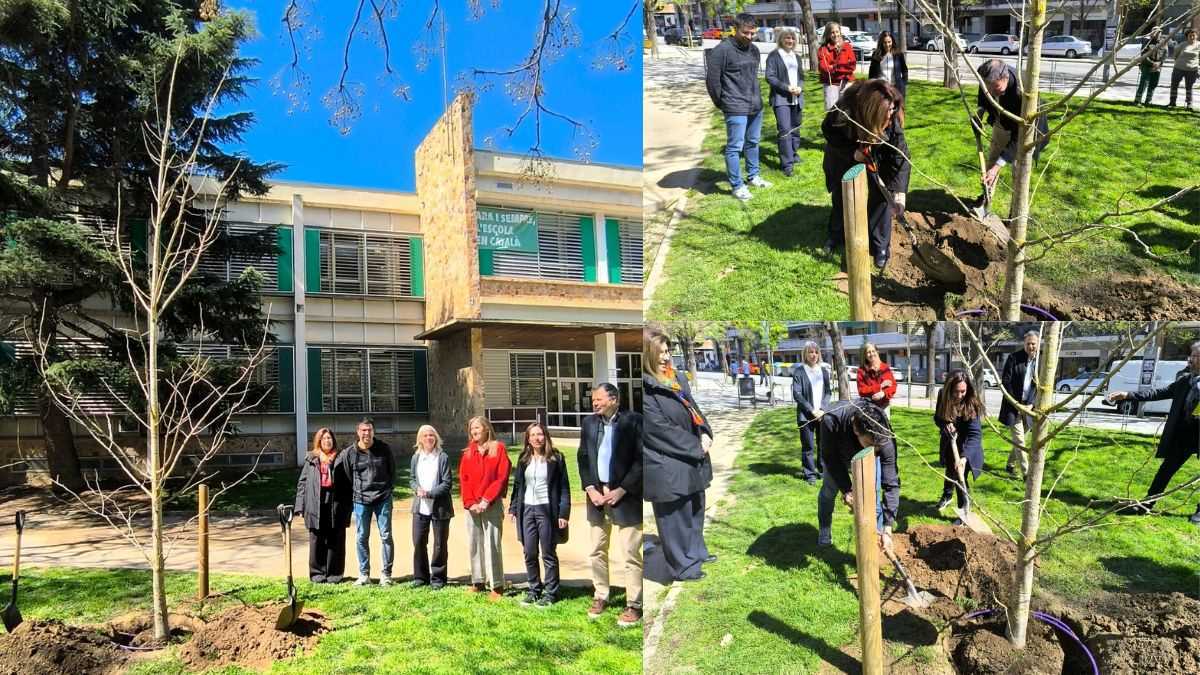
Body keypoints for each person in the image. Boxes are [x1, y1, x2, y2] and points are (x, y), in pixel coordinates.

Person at [643, 330, 714, 583]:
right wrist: (696, 446)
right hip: (667, 462)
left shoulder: (675, 379)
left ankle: (696, 553)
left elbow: (694, 408)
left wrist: (706, 432)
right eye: (659, 352)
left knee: (695, 509)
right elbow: (658, 429)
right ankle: (683, 566)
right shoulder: (646, 388)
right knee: (675, 519)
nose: (665, 357)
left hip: (690, 457)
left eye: (667, 351)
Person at [821, 79, 910, 269]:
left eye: (892, 114)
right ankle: (836, 235)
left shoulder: (891, 115)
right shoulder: (846, 110)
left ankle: (880, 247)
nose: (889, 120)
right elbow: (827, 130)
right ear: (872, 111)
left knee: (881, 197)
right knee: (842, 194)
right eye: (884, 118)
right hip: (844, 152)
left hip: (876, 154)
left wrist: (899, 195)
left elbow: (900, 157)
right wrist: (852, 153)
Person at [1108, 341, 1200, 524]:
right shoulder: (1185, 381)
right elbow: (1158, 393)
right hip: (1182, 437)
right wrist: (1128, 395)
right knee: (1164, 471)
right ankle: (1146, 505)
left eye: (1196, 356)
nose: (1192, 359)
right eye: (1193, 355)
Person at [578, 383, 644, 627]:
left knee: (630, 554)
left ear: (614, 399)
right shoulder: (589, 424)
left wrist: (622, 489)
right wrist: (591, 488)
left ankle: (634, 604)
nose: (594, 403)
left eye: (599, 399)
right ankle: (601, 595)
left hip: (625, 496)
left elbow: (641, 460)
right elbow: (583, 457)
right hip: (596, 497)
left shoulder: (634, 421)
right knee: (597, 549)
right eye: (593, 400)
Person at [816, 399, 899, 553]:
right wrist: (847, 489)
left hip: (864, 455)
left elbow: (891, 482)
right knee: (829, 491)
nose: (875, 451)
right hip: (838, 456)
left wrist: (888, 527)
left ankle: (877, 538)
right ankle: (824, 530)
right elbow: (830, 458)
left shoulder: (881, 429)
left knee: (873, 497)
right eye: (870, 445)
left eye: (878, 447)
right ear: (856, 430)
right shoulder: (831, 420)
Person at [705, 13, 771, 201]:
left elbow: (752, 77)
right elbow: (712, 81)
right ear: (735, 29)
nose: (749, 37)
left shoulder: (754, 50)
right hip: (734, 106)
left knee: (753, 143)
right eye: (745, 33)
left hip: (755, 105)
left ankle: (754, 176)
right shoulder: (722, 51)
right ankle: (737, 185)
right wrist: (722, 102)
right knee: (735, 147)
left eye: (753, 33)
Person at [509, 422, 571, 607]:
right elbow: (518, 485)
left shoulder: (556, 458)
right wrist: (513, 508)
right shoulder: (523, 459)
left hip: (547, 510)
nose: (537, 438)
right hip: (527, 509)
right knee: (529, 551)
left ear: (546, 436)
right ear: (528, 439)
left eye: (540, 434)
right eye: (533, 435)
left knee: (548, 552)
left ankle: (551, 592)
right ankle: (534, 589)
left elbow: (564, 488)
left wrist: (563, 513)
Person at [976, 59, 1049, 199]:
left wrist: (998, 166)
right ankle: (986, 198)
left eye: (995, 88)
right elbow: (983, 97)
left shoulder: (1022, 93)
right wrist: (979, 114)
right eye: (988, 87)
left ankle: (1015, 212)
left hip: (1025, 130)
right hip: (1002, 122)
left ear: (1005, 78)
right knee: (993, 159)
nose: (990, 92)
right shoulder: (987, 77)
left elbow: (1019, 136)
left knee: (1018, 169)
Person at [337, 418, 395, 586]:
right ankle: (364, 575)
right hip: (361, 501)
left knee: (386, 536)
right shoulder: (350, 452)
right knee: (362, 537)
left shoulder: (384, 449)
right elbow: (347, 475)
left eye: (369, 430)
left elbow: (392, 472)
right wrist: (356, 493)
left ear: (373, 432)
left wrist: (387, 490)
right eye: (363, 430)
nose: (366, 433)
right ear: (358, 432)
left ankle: (386, 575)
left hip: (383, 499)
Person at [460, 416, 511, 599]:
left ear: (487, 429)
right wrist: (471, 502)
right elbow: (463, 480)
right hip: (472, 506)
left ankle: (497, 585)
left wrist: (486, 500)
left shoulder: (498, 449)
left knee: (492, 544)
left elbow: (501, 477)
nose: (474, 431)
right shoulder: (467, 452)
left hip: (491, 504)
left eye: (478, 427)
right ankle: (478, 581)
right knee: (475, 543)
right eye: (472, 428)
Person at [294, 427, 351, 583]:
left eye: (330, 438)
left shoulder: (341, 457)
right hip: (315, 502)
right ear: (319, 441)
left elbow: (348, 482)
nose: (327, 441)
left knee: (336, 538)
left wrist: (348, 505)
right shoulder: (311, 459)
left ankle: (334, 574)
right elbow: (302, 483)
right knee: (317, 539)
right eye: (324, 438)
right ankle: (317, 574)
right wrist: (300, 506)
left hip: (336, 502)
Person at [934, 370, 986, 519]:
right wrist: (946, 424)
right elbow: (937, 418)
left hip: (967, 446)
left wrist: (963, 458)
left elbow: (975, 435)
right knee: (951, 471)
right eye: (955, 392)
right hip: (950, 443)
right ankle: (948, 496)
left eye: (963, 391)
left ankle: (963, 513)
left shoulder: (972, 402)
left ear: (967, 389)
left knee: (960, 476)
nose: (959, 395)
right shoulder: (942, 395)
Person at [410, 425, 453, 590]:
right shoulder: (416, 458)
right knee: (419, 541)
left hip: (440, 508)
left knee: (439, 544)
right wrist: (416, 489)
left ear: (436, 438)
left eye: (432, 435)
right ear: (420, 439)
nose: (429, 438)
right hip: (420, 507)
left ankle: (438, 578)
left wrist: (429, 493)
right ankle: (421, 577)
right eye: (425, 435)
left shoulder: (442, 457)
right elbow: (412, 478)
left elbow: (447, 483)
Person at [765, 27, 806, 177]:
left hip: (797, 98)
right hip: (781, 99)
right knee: (784, 130)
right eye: (787, 38)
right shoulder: (774, 56)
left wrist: (800, 88)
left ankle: (794, 154)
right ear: (781, 39)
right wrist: (787, 88)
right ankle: (787, 164)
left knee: (795, 128)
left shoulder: (797, 57)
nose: (790, 41)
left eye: (793, 38)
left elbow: (801, 76)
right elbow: (770, 77)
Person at [998, 330, 1039, 477]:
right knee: (1020, 441)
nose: (1031, 346)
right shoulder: (1013, 358)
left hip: (1029, 407)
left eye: (1033, 343)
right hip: (1013, 406)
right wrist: (1015, 402)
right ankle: (1027, 474)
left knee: (1019, 440)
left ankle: (1009, 464)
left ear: (1038, 344)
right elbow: (1006, 381)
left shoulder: (1040, 362)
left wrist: (1031, 404)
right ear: (1024, 344)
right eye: (1028, 343)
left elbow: (1039, 386)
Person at [792, 341, 831, 485]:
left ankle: (822, 471)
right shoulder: (799, 371)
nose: (813, 355)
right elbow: (797, 394)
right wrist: (811, 409)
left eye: (816, 352)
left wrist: (822, 409)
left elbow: (828, 392)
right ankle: (810, 474)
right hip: (806, 416)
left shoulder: (824, 371)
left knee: (823, 445)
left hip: (821, 415)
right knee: (808, 447)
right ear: (805, 354)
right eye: (810, 352)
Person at [817, 22, 856, 111]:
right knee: (832, 112)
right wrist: (840, 68)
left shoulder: (847, 46)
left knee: (847, 111)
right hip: (831, 84)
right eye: (832, 32)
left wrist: (833, 67)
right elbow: (824, 68)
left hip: (846, 83)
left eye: (837, 32)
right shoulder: (823, 49)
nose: (835, 35)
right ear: (828, 34)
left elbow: (852, 65)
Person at [855, 342, 897, 414]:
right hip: (868, 406)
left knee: (883, 425)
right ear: (865, 355)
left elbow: (893, 386)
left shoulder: (884, 368)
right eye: (868, 352)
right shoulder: (861, 371)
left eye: (873, 351)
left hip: (884, 406)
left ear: (877, 352)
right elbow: (861, 390)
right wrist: (880, 386)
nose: (871, 354)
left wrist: (883, 393)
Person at [868, 30, 908, 97]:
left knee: (896, 107)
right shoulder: (876, 55)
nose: (887, 45)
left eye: (889, 42)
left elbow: (905, 70)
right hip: (881, 91)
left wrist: (903, 84)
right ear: (881, 43)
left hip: (896, 89)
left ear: (892, 42)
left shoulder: (898, 54)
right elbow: (871, 74)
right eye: (885, 42)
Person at [1135, 28, 1169, 106]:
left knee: (1153, 84)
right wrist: (1152, 63)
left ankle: (1148, 101)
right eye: (1155, 32)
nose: (1157, 34)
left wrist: (1159, 63)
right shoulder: (1147, 42)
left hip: (1158, 66)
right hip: (1147, 65)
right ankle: (1137, 101)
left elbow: (1165, 55)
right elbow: (1143, 55)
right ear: (1152, 33)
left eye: (1159, 32)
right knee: (1143, 84)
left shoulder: (1163, 43)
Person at [1168, 29, 1199, 109]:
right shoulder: (1182, 44)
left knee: (1189, 87)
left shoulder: (1199, 45)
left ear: (1196, 36)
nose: (1192, 37)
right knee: (1174, 85)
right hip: (1179, 68)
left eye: (1193, 35)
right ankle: (1172, 102)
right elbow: (1175, 55)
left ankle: (1189, 104)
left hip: (1192, 70)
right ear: (1187, 37)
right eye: (1190, 36)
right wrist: (1179, 62)